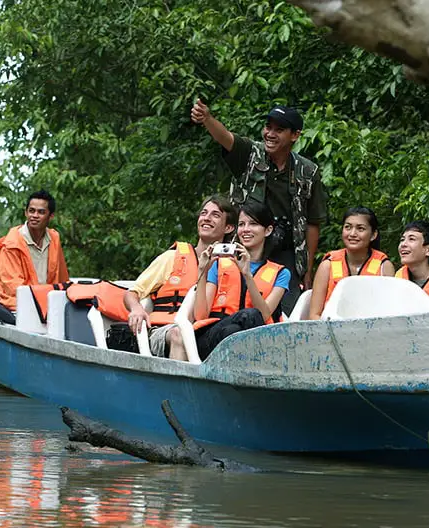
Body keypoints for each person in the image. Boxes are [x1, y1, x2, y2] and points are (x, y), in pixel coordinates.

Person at [190, 99, 327, 316]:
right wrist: (207, 119)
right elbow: (226, 138)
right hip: (245, 243)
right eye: (268, 127)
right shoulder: (250, 154)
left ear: (295, 135)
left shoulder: (307, 171)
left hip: (286, 251)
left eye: (279, 129)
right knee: (233, 302)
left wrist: (307, 269)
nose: (270, 134)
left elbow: (312, 222)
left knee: (286, 309)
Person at [123, 195, 237, 360]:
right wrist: (137, 309)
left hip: (205, 333)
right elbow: (132, 293)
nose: (207, 218)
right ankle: (178, 386)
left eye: (215, 215)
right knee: (180, 335)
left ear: (228, 228)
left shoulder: (233, 267)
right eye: (204, 213)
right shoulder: (172, 257)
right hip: (166, 330)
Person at [190, 202, 290, 361]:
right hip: (210, 338)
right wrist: (203, 271)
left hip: (247, 338)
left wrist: (247, 275)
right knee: (243, 319)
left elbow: (263, 315)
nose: (246, 229)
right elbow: (201, 315)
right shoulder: (219, 264)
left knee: (237, 328)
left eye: (253, 224)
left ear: (268, 230)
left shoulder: (281, 273)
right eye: (242, 224)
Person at [308, 207, 395, 320]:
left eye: (360, 228)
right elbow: (314, 315)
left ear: (373, 235)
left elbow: (390, 314)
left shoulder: (384, 266)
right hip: (330, 331)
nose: (352, 233)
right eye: (348, 227)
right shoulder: (328, 265)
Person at [0, 189, 69, 311]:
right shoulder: (11, 243)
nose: (34, 216)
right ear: (26, 213)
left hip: (49, 305)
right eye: (31, 211)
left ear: (51, 216)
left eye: (41, 212)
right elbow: (14, 288)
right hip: (18, 307)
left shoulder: (54, 238)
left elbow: (62, 278)